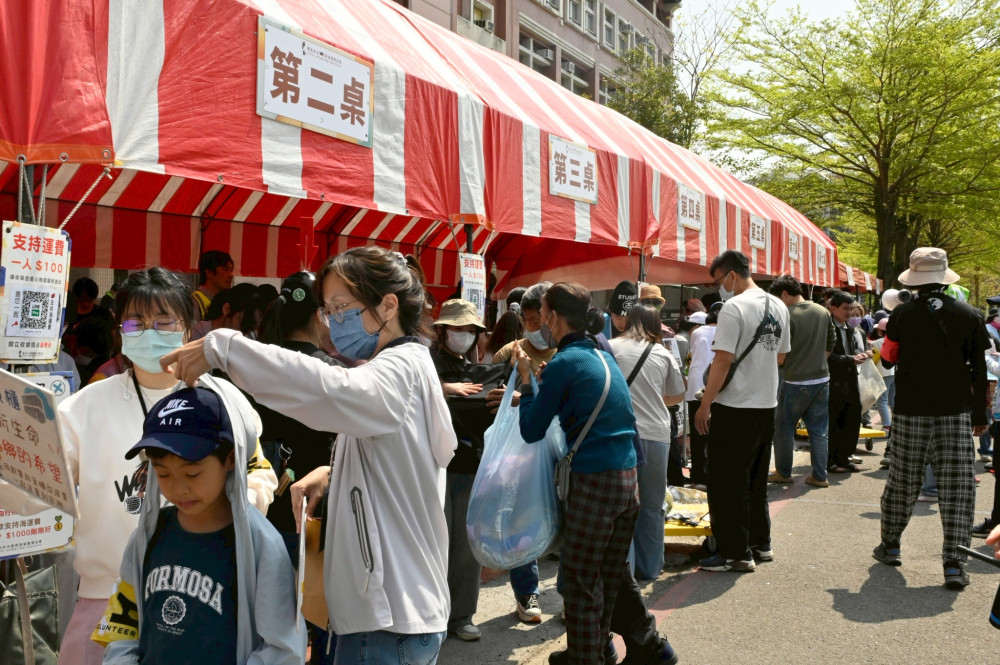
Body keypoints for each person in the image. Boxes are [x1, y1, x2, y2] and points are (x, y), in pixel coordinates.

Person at [164, 246, 457, 665]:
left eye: (342, 307)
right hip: (395, 612)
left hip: (387, 621)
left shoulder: (397, 370)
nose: (334, 321)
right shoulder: (406, 365)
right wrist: (334, 472)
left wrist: (225, 348)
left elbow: (327, 389)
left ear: (389, 305)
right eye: (328, 310)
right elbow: (397, 461)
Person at [0, 267, 277, 665]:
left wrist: (236, 504)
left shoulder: (225, 400)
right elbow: (36, 487)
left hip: (203, 589)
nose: (150, 332)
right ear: (120, 330)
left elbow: (258, 472)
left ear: (188, 328)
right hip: (107, 597)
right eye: (136, 323)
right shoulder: (86, 406)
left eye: (164, 321)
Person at [513, 282, 678, 665]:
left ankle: (587, 657)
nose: (541, 323)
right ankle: (610, 650)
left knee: (581, 583)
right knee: (610, 574)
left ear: (554, 316)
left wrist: (526, 381)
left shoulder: (564, 363)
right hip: (627, 478)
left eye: (543, 314)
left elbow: (532, 430)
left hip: (594, 481)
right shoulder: (601, 355)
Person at [101, 387, 305, 665]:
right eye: (163, 474)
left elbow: (283, 649)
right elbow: (123, 624)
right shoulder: (147, 535)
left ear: (230, 459)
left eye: (192, 473)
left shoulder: (260, 545)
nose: (179, 488)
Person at [873, 247, 989, 590]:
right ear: (944, 277)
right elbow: (980, 369)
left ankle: (891, 545)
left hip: (911, 409)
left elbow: (888, 359)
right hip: (956, 410)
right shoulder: (969, 314)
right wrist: (980, 413)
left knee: (903, 480)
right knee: (958, 487)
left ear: (915, 280)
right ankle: (954, 563)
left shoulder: (902, 314)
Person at [253, 271, 343, 662]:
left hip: (264, 509)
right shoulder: (329, 372)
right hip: (316, 514)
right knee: (319, 617)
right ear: (320, 315)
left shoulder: (257, 365)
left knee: (271, 620)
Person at [695, 250, 789, 571]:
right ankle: (760, 542)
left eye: (719, 281)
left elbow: (722, 360)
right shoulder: (778, 305)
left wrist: (705, 404)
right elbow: (780, 357)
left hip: (735, 407)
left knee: (726, 481)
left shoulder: (733, 308)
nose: (719, 288)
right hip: (766, 405)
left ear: (732, 275)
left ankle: (734, 552)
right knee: (756, 479)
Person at [431, 299, 502, 642]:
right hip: (431, 465)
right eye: (457, 328)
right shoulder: (425, 363)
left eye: (470, 330)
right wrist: (445, 389)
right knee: (432, 543)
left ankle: (461, 615)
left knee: (465, 546)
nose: (464, 335)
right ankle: (433, 616)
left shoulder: (480, 370)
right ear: (442, 330)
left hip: (468, 465)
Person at [488, 281, 553, 624]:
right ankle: (527, 592)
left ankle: (573, 595)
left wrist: (524, 396)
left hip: (558, 455)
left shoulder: (567, 355)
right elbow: (490, 401)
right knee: (521, 520)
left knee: (563, 523)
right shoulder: (508, 354)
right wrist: (509, 397)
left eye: (539, 320)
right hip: (520, 455)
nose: (534, 327)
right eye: (528, 320)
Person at [610, 302, 686, 581]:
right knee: (652, 506)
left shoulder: (610, 348)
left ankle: (623, 570)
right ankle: (650, 568)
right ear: (656, 326)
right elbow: (677, 395)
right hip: (655, 435)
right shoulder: (662, 354)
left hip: (619, 435)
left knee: (620, 507)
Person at [768, 275, 836, 488]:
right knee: (819, 430)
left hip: (794, 380)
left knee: (784, 428)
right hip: (821, 378)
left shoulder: (786, 314)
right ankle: (820, 475)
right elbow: (831, 340)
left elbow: (780, 352)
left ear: (784, 294)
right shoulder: (822, 311)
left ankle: (783, 472)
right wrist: (817, 361)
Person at [826, 290, 871, 473]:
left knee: (851, 419)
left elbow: (852, 352)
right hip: (832, 380)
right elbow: (827, 357)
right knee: (834, 421)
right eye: (846, 308)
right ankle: (831, 460)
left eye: (851, 309)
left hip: (850, 379)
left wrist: (862, 355)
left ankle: (845, 458)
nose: (850, 313)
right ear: (833, 308)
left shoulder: (851, 329)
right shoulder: (828, 327)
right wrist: (851, 359)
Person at [685, 309, 716, 490]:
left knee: (697, 435)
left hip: (696, 386)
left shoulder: (697, 333)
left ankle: (698, 477)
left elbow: (690, 359)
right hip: (717, 388)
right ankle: (714, 475)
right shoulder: (727, 330)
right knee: (716, 435)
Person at [191, 283, 258, 340]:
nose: (243, 334)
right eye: (243, 324)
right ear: (226, 309)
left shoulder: (250, 336)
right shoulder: (200, 333)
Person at [192, 250, 234, 322]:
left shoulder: (228, 300)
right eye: (226, 269)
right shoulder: (195, 301)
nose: (231, 275)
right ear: (209, 273)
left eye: (231, 270)